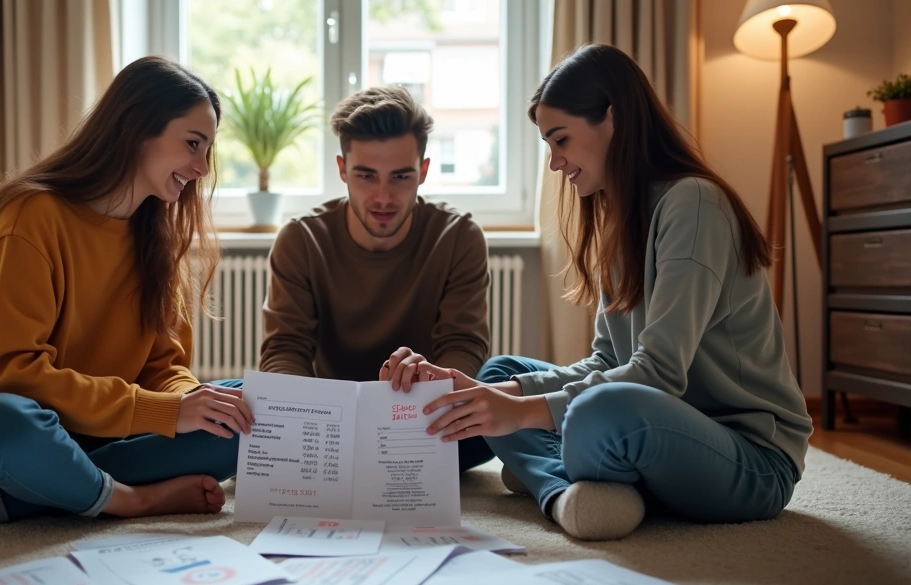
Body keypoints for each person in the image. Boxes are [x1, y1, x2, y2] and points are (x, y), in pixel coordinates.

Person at [407, 44, 812, 541]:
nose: (555, 163)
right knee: (500, 372)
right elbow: (603, 361)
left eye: (561, 141)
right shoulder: (623, 217)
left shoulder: (694, 204)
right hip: (656, 430)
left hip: (750, 459)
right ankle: (568, 488)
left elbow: (658, 376)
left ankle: (553, 472)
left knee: (594, 414)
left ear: (613, 119)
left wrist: (517, 415)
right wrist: (494, 395)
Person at [0, 56, 253, 530]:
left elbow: (162, 367)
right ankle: (131, 500)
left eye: (207, 150)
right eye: (193, 144)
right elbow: (12, 375)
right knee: (9, 421)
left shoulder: (157, 239)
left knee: (244, 409)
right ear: (136, 129)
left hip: (87, 436)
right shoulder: (31, 215)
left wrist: (189, 403)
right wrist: (164, 413)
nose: (202, 167)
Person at [217, 85, 496, 473]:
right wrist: (308, 417)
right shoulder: (302, 239)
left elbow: (464, 346)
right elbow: (285, 350)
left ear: (424, 172)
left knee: (503, 386)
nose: (383, 196)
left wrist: (425, 387)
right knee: (232, 399)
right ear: (342, 169)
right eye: (366, 175)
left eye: (401, 176)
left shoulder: (459, 237)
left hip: (421, 416)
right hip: (329, 421)